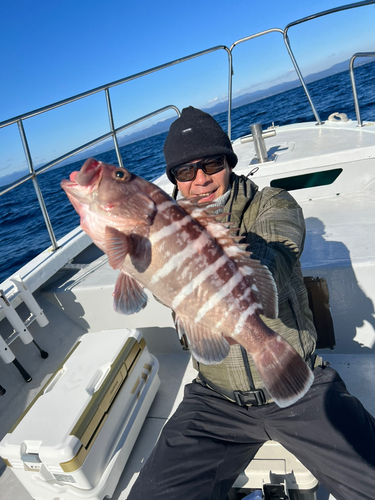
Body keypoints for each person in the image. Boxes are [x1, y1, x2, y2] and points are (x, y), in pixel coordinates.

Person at [128, 106, 375, 500]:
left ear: (229, 161)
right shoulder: (159, 232)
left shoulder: (273, 203)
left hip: (303, 385)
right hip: (214, 400)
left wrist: (216, 250)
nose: (201, 179)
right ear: (174, 180)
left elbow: (276, 257)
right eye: (185, 172)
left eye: (211, 163)